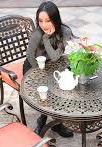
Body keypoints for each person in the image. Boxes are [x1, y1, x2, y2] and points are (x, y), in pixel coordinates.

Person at [23, 1, 73, 137]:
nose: (43, 25)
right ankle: (43, 120)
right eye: (40, 21)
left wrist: (47, 39)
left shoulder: (65, 32)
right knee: (46, 88)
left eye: (48, 20)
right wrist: (40, 72)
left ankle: (57, 123)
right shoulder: (37, 34)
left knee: (66, 84)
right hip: (33, 67)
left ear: (55, 20)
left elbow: (55, 57)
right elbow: (29, 56)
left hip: (53, 64)